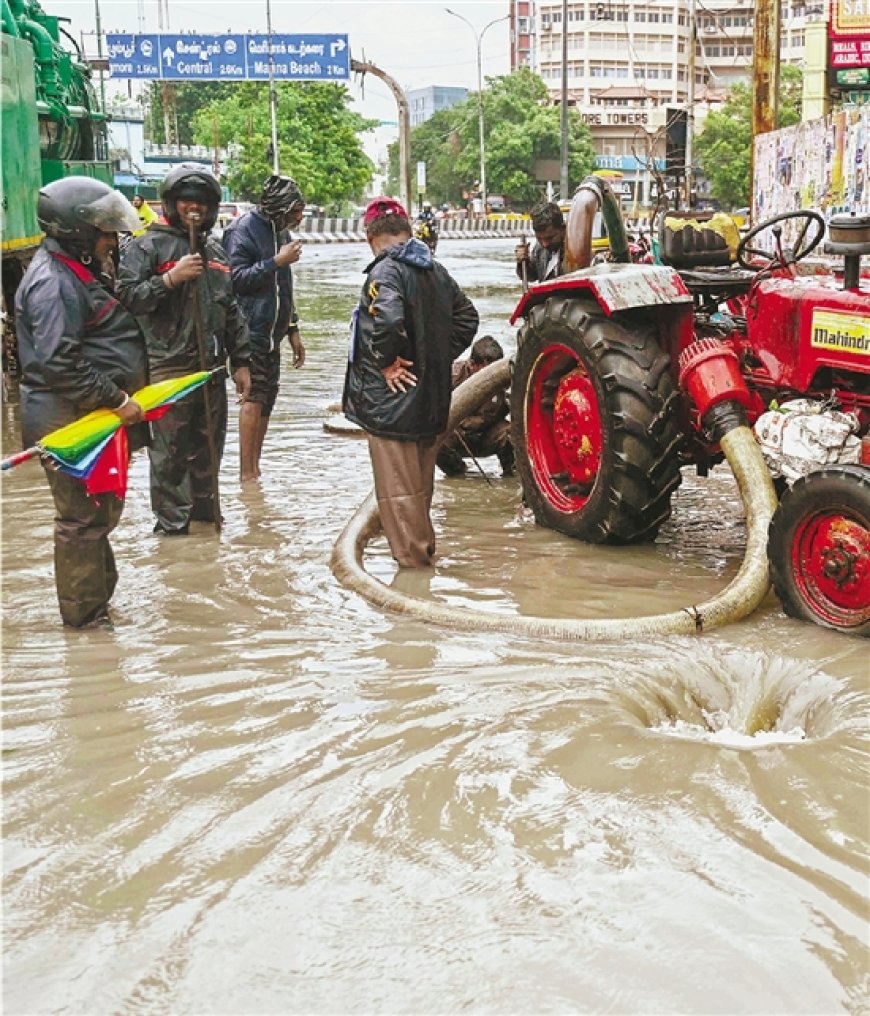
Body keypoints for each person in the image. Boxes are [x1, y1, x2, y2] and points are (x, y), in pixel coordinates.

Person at [15, 177, 147, 627]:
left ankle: (97, 607)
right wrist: (117, 398)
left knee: (99, 514)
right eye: (106, 231)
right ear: (78, 232)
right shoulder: (53, 282)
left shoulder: (77, 270)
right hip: (69, 422)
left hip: (90, 417)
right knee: (81, 521)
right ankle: (85, 623)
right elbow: (58, 361)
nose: (113, 239)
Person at [343, 196, 479, 568]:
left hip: (393, 404)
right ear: (407, 231)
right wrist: (432, 357)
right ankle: (423, 558)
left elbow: (386, 320)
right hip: (430, 401)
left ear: (370, 236)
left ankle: (414, 573)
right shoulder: (435, 271)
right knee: (419, 489)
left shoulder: (385, 272)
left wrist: (388, 363)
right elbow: (468, 319)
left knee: (399, 494)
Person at [118, 163, 252, 535]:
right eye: (186, 203)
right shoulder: (147, 245)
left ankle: (207, 522)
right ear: (172, 204)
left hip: (210, 368)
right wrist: (169, 279)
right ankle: (173, 531)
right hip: (166, 369)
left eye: (201, 204)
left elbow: (231, 310)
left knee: (209, 449)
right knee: (170, 456)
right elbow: (126, 297)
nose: (194, 210)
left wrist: (241, 361)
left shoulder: (215, 250)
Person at [222, 174, 306, 482]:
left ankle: (255, 469)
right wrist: (275, 262)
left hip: (275, 333)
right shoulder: (241, 231)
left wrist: (293, 328)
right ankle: (246, 474)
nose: (299, 217)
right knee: (253, 398)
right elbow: (234, 280)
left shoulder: (280, 232)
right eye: (295, 210)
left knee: (268, 399)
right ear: (280, 207)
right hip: (249, 331)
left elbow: (285, 286)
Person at [436, 336, 514, 478]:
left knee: (512, 434)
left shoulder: (506, 379)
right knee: (434, 440)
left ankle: (511, 476)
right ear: (472, 364)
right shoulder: (452, 376)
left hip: (489, 433)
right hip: (459, 435)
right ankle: (460, 475)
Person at [515, 200, 567, 283]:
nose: (545, 244)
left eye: (550, 238)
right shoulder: (539, 248)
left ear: (563, 229)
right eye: (539, 238)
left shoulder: (575, 250)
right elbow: (531, 276)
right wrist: (523, 262)